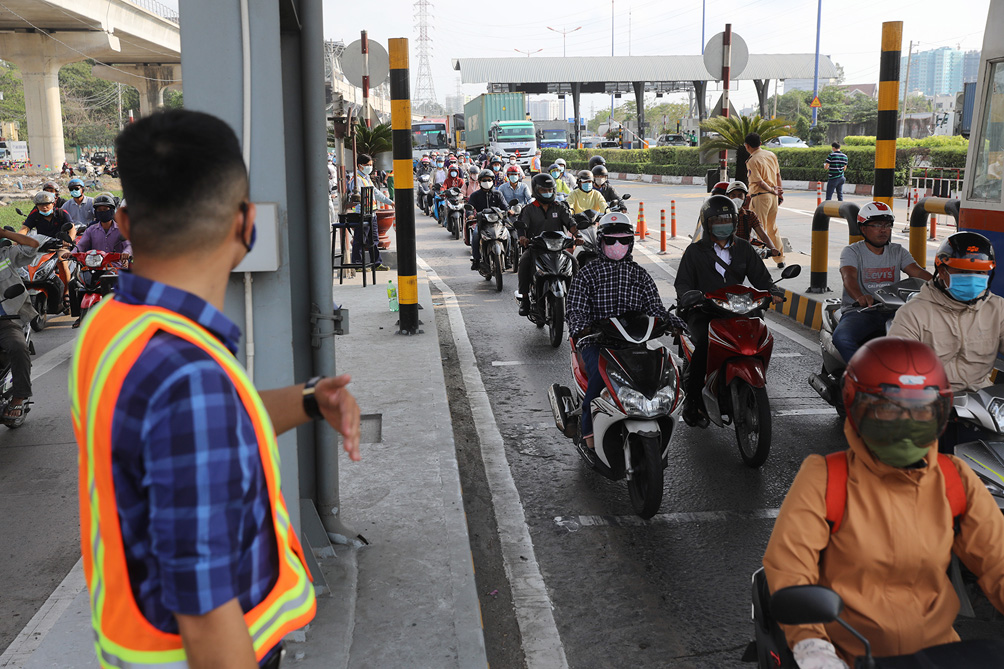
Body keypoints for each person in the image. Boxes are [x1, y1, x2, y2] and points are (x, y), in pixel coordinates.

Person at [69, 109, 362, 669]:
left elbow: (209, 429)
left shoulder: (112, 326)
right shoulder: (187, 374)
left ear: (125, 222)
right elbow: (206, 612)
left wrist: (307, 399)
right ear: (246, 226)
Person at [763, 337, 1004, 668]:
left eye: (921, 412)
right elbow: (790, 567)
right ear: (857, 410)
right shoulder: (825, 478)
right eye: (887, 411)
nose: (905, 430)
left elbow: (998, 559)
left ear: (940, 413)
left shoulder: (954, 479)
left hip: (938, 654)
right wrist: (811, 644)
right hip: (846, 656)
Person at [566, 213, 684, 456]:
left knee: (663, 374)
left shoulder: (639, 274)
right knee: (600, 380)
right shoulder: (588, 274)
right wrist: (584, 327)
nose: (617, 246)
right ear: (601, 242)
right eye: (611, 241)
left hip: (634, 343)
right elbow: (575, 310)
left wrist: (674, 323)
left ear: (630, 243)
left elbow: (655, 308)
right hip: (597, 343)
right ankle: (588, 434)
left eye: (623, 241)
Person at [675, 196, 784, 427]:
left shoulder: (744, 248)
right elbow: (683, 283)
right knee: (703, 344)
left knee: (761, 334)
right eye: (717, 220)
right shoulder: (694, 251)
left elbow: (761, 277)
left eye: (728, 219)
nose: (723, 224)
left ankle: (753, 380)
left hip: (738, 307)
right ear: (707, 223)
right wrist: (689, 297)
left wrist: (772, 290)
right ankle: (692, 402)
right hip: (704, 309)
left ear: (735, 222)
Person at [888, 231, 1004, 394]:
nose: (972, 279)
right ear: (942, 272)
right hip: (931, 402)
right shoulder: (913, 313)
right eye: (964, 272)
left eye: (980, 272)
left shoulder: (997, 308)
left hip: (983, 400)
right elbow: (896, 366)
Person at [831, 201, 931, 364]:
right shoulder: (852, 251)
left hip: (895, 310)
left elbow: (918, 272)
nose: (883, 230)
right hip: (861, 312)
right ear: (863, 228)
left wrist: (944, 286)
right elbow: (848, 276)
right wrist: (860, 297)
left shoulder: (897, 251)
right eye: (877, 225)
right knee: (842, 338)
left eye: (887, 225)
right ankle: (863, 376)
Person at [515, 173, 576, 315]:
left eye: (550, 190)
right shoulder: (529, 209)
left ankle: (574, 296)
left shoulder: (559, 207)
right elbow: (522, 227)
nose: (548, 193)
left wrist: (577, 234)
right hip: (536, 249)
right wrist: (523, 237)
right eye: (544, 190)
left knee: (573, 261)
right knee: (524, 262)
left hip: (558, 249)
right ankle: (524, 299)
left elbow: (570, 223)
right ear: (536, 190)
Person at [0, 226, 39, 427]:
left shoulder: (5, 254)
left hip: (6, 319)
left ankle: (19, 396)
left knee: (17, 347)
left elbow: (32, 245)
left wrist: (5, 234)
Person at [745, 132, 785, 268]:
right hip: (773, 198)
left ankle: (758, 261)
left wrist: (772, 190)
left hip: (761, 197)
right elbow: (778, 174)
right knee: (772, 228)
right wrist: (778, 192)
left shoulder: (752, 160)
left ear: (747, 146)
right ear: (760, 144)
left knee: (757, 229)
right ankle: (780, 259)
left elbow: (760, 181)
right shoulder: (771, 155)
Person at [348, 153, 394, 271]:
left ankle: (376, 263)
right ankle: (358, 264)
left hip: (371, 213)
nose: (370, 167)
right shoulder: (356, 179)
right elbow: (355, 196)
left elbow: (376, 193)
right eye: (367, 165)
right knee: (360, 239)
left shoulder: (366, 178)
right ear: (360, 166)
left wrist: (390, 202)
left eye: (371, 165)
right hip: (360, 213)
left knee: (374, 239)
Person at [725, 180, 779, 256]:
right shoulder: (723, 215)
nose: (737, 198)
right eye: (733, 195)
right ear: (728, 197)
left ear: (744, 198)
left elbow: (762, 234)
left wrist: (773, 248)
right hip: (726, 251)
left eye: (740, 195)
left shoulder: (750, 215)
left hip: (745, 251)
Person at [467, 169, 507, 270]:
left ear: (493, 181)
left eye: (489, 180)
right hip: (482, 223)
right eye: (484, 180)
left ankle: (507, 258)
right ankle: (476, 260)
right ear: (479, 182)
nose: (487, 182)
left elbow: (505, 206)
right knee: (476, 236)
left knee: (508, 236)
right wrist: (471, 214)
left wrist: (509, 211)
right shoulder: (475, 195)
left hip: (497, 223)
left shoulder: (498, 194)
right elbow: (470, 207)